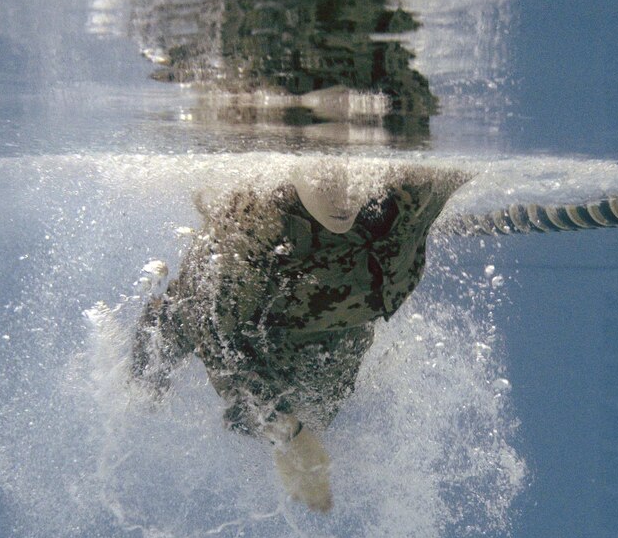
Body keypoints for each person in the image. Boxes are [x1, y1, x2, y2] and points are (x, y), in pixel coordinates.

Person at [131, 160, 471, 511]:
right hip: (227, 304)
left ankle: (275, 427)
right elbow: (218, 337)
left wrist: (289, 434)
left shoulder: (416, 189)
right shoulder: (258, 217)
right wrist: (289, 433)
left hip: (329, 314)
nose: (341, 192)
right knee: (155, 364)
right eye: (323, 166)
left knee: (313, 411)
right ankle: (156, 334)